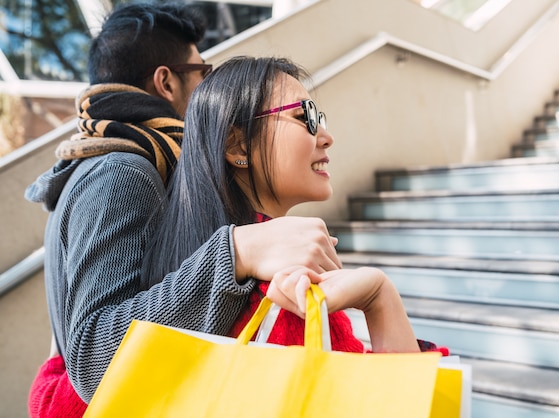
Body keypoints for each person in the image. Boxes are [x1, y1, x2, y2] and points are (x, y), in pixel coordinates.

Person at [25, 4, 341, 417]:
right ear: (166, 82)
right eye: (201, 73)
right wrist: (236, 253)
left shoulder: (92, 165)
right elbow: (94, 359)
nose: (210, 90)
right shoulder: (123, 171)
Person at [142, 55, 430, 354]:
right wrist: (380, 297)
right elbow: (391, 399)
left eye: (320, 119)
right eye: (305, 116)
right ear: (237, 145)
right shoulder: (288, 292)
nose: (327, 137)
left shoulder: (175, 271)